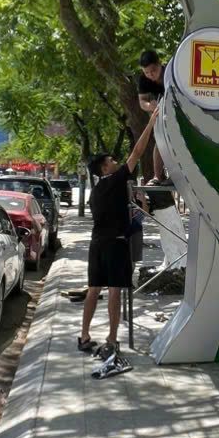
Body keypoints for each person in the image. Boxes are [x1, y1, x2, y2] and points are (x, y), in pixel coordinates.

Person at [79, 106, 159, 357]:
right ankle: (112, 339)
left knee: (93, 289)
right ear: (104, 169)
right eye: (111, 161)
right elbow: (137, 152)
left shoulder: (96, 192)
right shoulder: (115, 181)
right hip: (115, 245)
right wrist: (151, 121)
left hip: (97, 245)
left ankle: (84, 336)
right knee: (114, 291)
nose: (116, 163)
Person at [137, 49, 167, 181]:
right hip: (160, 112)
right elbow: (142, 102)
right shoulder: (143, 79)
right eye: (146, 72)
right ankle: (157, 176)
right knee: (159, 139)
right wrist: (150, 106)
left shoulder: (170, 73)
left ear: (159, 64)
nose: (150, 75)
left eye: (153, 71)